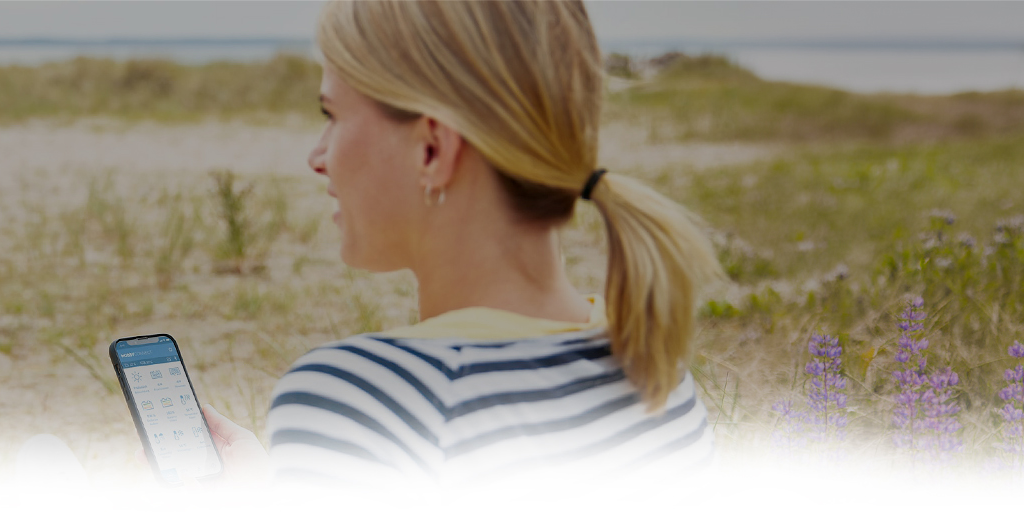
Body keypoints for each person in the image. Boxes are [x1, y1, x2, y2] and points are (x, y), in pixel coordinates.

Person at [194, 0, 726, 486]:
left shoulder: (364, 397)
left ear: (431, 149)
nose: (318, 156)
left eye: (332, 116)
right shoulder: (656, 367)